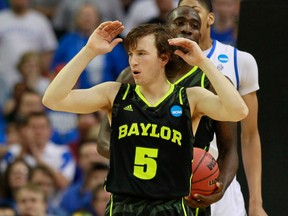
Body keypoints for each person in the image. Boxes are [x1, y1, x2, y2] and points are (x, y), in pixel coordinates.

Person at [42, 20, 247, 215]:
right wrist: (89, 51)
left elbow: (238, 111)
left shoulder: (190, 98)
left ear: (163, 58)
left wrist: (203, 62)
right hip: (124, 206)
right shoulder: (114, 94)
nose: (133, 61)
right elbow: (53, 99)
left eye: (141, 53)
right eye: (131, 54)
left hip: (171, 207)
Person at [97, 7, 239, 216]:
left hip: (188, 188)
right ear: (165, 32)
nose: (187, 29)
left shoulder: (209, 83)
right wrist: (146, 161)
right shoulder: (131, 76)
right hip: (136, 190)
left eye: (194, 26)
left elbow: (229, 148)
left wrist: (219, 188)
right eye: (180, 22)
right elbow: (103, 140)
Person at [178, 1, 267, 216]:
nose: (188, 16)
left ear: (210, 18)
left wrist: (256, 202)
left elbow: (249, 135)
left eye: (195, 10)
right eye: (182, 13)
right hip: (173, 181)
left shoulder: (239, 61)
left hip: (220, 180)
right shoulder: (164, 63)